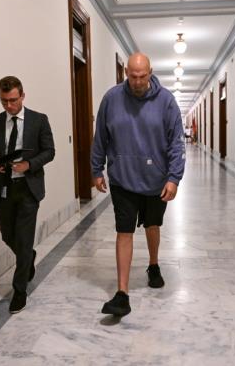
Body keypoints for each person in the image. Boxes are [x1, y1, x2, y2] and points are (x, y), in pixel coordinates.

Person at [91, 52, 185, 317]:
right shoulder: (112, 98)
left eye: (142, 76)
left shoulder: (166, 101)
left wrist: (173, 178)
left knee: (152, 225)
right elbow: (101, 136)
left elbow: (177, 143)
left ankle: (153, 265)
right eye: (133, 76)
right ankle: (122, 293)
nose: (138, 81)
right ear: (126, 74)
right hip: (122, 177)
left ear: (151, 72)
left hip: (156, 180)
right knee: (124, 231)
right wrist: (96, 168)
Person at [0, 76, 55, 314]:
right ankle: (28, 256)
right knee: (7, 235)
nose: (9, 106)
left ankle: (20, 291)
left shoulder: (39, 120)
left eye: (13, 100)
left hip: (28, 189)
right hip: (4, 188)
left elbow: (49, 151)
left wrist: (29, 165)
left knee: (23, 240)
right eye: (4, 101)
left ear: (22, 95)